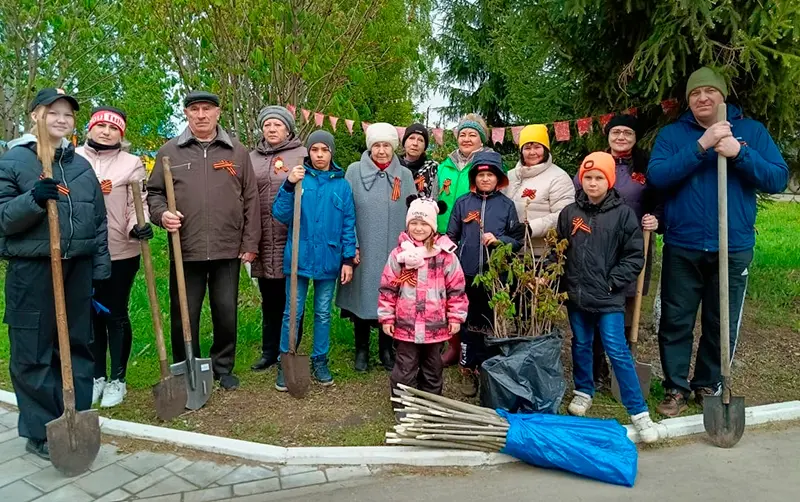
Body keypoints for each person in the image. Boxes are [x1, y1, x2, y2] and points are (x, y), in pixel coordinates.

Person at [648, 67, 789, 417]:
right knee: (676, 320)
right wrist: (702, 146)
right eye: (696, 93)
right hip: (684, 244)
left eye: (710, 91)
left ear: (722, 96)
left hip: (733, 244)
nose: (703, 98)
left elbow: (777, 177)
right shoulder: (673, 135)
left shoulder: (751, 132)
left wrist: (739, 153)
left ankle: (709, 383)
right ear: (688, 100)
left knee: (720, 321)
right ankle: (676, 387)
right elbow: (658, 177)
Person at [0, 88, 111, 460]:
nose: (61, 120)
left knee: (77, 346)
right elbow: (3, 220)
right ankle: (39, 429)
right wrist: (32, 199)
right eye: (53, 113)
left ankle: (73, 417)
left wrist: (99, 269)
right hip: (32, 271)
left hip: (75, 269)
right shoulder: (15, 161)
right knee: (32, 351)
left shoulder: (79, 165)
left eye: (67, 115)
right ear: (36, 116)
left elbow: (97, 221)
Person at [147, 91, 260, 391]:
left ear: (218, 113)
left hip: (227, 247)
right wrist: (162, 215)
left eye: (206, 109)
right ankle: (186, 366)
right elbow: (154, 193)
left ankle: (223, 366)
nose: (201, 115)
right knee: (185, 312)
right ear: (186, 114)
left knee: (225, 310)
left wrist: (250, 242)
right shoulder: (169, 151)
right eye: (194, 109)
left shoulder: (237, 151)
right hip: (186, 247)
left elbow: (250, 197)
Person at [556, 152, 659, 443]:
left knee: (617, 350)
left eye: (598, 177)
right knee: (581, 344)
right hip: (577, 295)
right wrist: (558, 280)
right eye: (587, 177)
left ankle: (639, 412)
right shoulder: (570, 213)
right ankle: (583, 391)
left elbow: (633, 256)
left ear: (609, 180)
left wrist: (612, 283)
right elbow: (559, 251)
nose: (592, 183)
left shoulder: (624, 214)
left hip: (608, 297)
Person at [573, 114, 662, 390]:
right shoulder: (596, 163)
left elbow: (660, 199)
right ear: (608, 136)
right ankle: (596, 369)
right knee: (598, 304)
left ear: (635, 138)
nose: (621, 137)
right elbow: (579, 194)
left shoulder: (646, 167)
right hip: (597, 244)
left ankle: (620, 366)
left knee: (626, 306)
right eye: (616, 132)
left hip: (634, 245)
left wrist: (657, 218)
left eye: (627, 133)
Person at [76, 106, 152, 408]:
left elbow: (138, 201)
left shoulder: (131, 163)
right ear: (90, 128)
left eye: (113, 128)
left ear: (121, 133)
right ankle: (96, 375)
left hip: (119, 249)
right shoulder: (73, 158)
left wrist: (139, 225)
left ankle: (117, 379)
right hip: (81, 249)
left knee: (114, 312)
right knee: (89, 314)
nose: (106, 132)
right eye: (101, 126)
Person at [272, 131, 356, 389]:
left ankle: (320, 359)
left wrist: (348, 259)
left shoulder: (342, 185)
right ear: (309, 152)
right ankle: (286, 359)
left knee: (322, 312)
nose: (319, 154)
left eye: (325, 150)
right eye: (315, 149)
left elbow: (348, 223)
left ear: (331, 152)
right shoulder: (299, 179)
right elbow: (280, 214)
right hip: (299, 257)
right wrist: (288, 184)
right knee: (292, 312)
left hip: (329, 260)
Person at [337, 123, 416, 373]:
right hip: (364, 250)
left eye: (386, 146)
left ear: (393, 147)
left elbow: (413, 214)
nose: (381, 151)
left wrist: (410, 247)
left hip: (394, 250)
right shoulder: (354, 171)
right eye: (376, 146)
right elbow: (345, 212)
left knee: (391, 299)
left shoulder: (404, 176)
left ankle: (386, 348)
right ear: (370, 147)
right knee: (362, 297)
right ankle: (361, 349)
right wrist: (352, 247)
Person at [379, 196, 468, 407]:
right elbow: (388, 288)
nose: (418, 228)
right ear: (408, 224)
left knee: (433, 366)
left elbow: (456, 289)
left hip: (435, 325)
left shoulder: (445, 256)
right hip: (406, 324)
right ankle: (402, 403)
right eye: (414, 223)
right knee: (405, 365)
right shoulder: (399, 255)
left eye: (424, 224)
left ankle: (431, 404)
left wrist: (455, 317)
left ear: (433, 226)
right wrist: (386, 317)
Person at [446, 151, 522, 396]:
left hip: (494, 278)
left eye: (490, 175)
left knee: (490, 321)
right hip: (467, 275)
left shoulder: (507, 206)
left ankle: (487, 366)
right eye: (481, 175)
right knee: (468, 323)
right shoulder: (463, 203)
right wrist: (456, 262)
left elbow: (517, 240)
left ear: (498, 178)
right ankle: (467, 367)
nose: (486, 179)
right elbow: (451, 237)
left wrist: (499, 240)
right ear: (474, 178)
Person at [248, 105, 307, 372]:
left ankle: (290, 349)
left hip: (291, 236)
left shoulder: (301, 155)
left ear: (288, 129)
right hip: (261, 236)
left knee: (293, 297)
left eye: (278, 125)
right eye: (268, 125)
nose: (272, 129)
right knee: (269, 298)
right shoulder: (251, 158)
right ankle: (269, 350)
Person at [436, 113, 490, 366]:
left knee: (471, 295)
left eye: (473, 134)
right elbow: (436, 199)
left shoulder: (486, 165)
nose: (466, 138)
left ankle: (475, 348)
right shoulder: (444, 165)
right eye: (462, 134)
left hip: (472, 237)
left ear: (482, 139)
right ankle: (453, 345)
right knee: (447, 293)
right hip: (444, 236)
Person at [503, 124, 574, 256]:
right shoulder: (510, 176)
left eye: (537, 147)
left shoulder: (558, 178)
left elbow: (564, 215)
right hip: (510, 251)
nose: (532, 152)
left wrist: (531, 228)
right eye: (527, 147)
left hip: (541, 254)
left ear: (546, 149)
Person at [400, 123, 438, 197]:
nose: (415, 143)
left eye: (420, 140)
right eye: (411, 138)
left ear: (425, 147)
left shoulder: (432, 168)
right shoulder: (394, 165)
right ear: (404, 142)